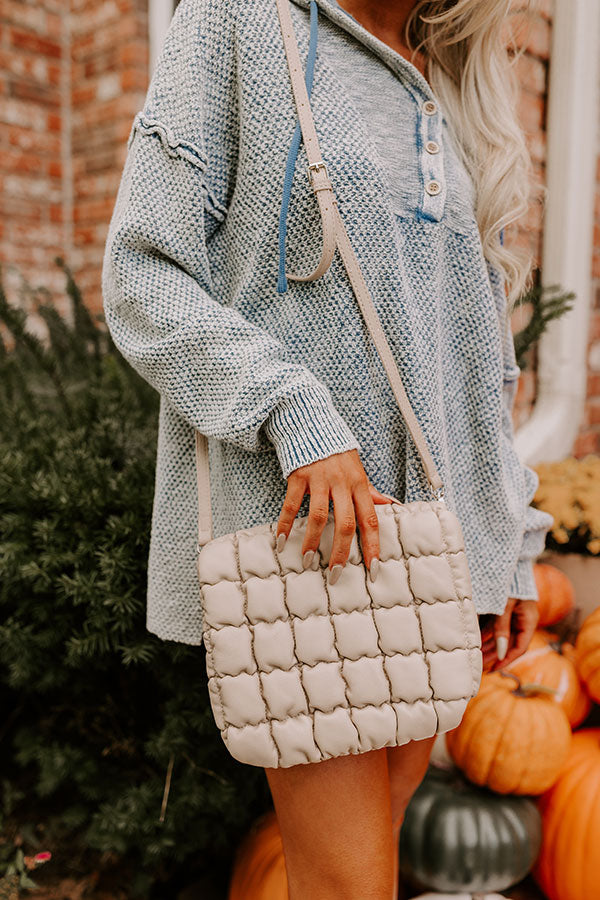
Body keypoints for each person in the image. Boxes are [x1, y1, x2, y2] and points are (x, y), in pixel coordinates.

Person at [102, 0, 554, 897]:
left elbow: (474, 357)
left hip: (428, 561)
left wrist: (513, 544)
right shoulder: (237, 20)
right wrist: (293, 408)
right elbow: (142, 272)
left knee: (356, 872)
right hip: (314, 542)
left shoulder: (443, 68)